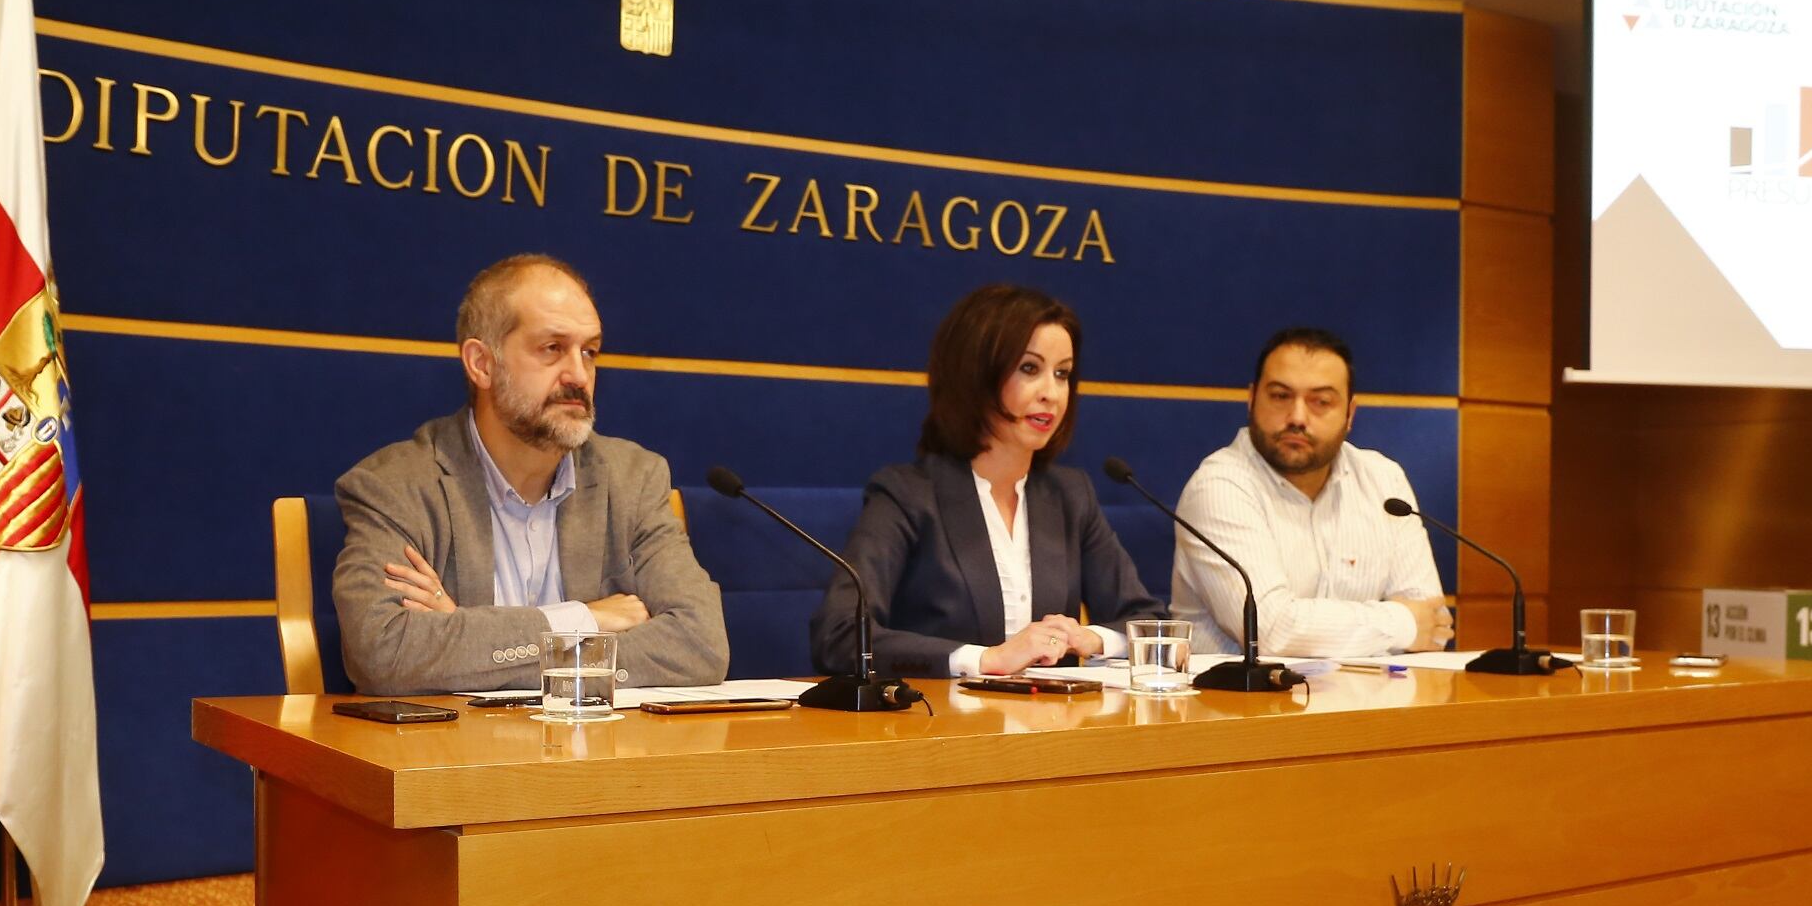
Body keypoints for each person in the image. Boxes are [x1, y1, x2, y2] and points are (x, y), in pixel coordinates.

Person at [331, 253, 727, 694]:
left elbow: (702, 645)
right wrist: (586, 619)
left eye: (590, 351)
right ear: (482, 363)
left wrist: (467, 640)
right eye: (552, 348)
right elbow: (384, 653)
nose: (579, 375)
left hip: (600, 755)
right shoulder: (397, 486)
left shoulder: (633, 478)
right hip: (455, 757)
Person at [812, 284, 1165, 678]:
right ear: (976, 376)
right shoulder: (907, 495)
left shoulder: (1069, 496)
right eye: (1030, 369)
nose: (1052, 393)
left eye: (1062, 373)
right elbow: (840, 636)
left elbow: (1148, 621)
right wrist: (984, 660)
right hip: (941, 730)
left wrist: (1093, 639)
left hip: (1053, 729)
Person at [1170, 326, 1455, 658]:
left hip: (1369, 702)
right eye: (1280, 396)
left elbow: (1432, 623)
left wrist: (1408, 625)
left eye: (1321, 402)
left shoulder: (1383, 480)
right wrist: (1402, 623)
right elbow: (1268, 628)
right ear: (1251, 399)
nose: (1297, 417)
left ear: (1350, 414)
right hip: (1241, 705)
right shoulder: (1219, 487)